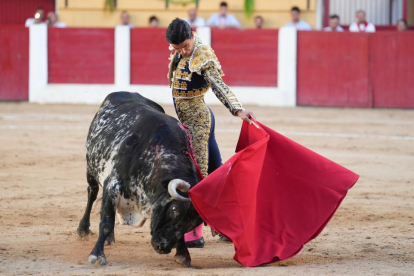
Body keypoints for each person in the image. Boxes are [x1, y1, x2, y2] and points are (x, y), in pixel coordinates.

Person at [166, 18, 255, 247]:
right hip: (188, 121)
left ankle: (195, 233)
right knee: (216, 174)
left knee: (198, 176)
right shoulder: (179, 51)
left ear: (192, 36)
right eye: (178, 49)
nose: (183, 52)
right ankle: (230, 226)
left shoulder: (202, 54)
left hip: (199, 122)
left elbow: (218, 85)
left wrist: (237, 109)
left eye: (185, 46)